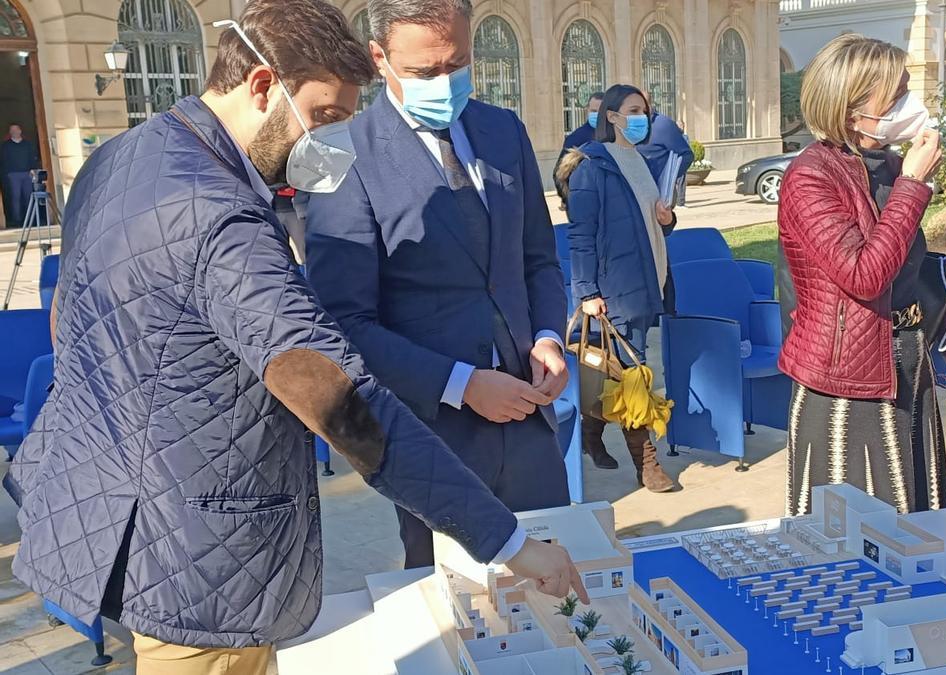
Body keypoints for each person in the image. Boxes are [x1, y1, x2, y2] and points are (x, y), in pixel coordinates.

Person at [6, 2, 586, 673]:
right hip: (201, 570)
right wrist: (508, 540)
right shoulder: (222, 223)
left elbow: (68, 323)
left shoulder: (120, 158)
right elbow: (344, 405)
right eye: (324, 117)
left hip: (120, 516)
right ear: (260, 86)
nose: (333, 141)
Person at [304, 0, 572, 569]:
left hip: (530, 422)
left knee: (553, 596)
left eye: (458, 64)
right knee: (459, 615)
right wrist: (461, 383)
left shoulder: (503, 131)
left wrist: (548, 336)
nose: (446, 83)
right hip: (433, 437)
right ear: (381, 59)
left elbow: (538, 259)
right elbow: (344, 322)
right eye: (426, 73)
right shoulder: (340, 156)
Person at [777, 34, 946, 517]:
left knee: (914, 514)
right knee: (855, 532)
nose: (910, 104)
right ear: (851, 109)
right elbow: (864, 275)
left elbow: (913, 272)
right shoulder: (810, 177)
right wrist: (913, 187)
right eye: (896, 96)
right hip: (845, 376)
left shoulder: (888, 165)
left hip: (906, 360)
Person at [557, 84, 678, 493]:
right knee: (635, 376)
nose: (641, 117)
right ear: (611, 116)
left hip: (648, 282)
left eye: (644, 110)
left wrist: (666, 220)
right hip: (616, 290)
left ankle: (593, 436)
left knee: (612, 370)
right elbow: (581, 235)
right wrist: (586, 292)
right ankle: (648, 465)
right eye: (632, 110)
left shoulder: (640, 161)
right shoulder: (593, 166)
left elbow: (647, 223)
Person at [638, 93, 694, 208]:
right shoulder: (629, 126)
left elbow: (686, 155)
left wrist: (668, 177)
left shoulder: (663, 125)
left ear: (648, 106)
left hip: (661, 195)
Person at [1, 123, 38, 227]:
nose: (14, 132)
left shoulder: (27, 144)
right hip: (13, 175)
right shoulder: (5, 146)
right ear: (10, 132)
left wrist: (33, 170)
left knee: (29, 197)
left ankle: (30, 219)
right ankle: (17, 221)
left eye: (16, 130)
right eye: (11, 130)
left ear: (20, 131)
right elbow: (3, 161)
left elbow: (32, 158)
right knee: (15, 197)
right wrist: (7, 173)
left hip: (27, 174)